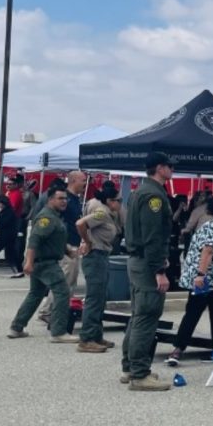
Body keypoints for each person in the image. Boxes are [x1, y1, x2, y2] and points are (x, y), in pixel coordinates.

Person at [121, 151, 176, 391]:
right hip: (146, 263)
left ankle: (130, 368)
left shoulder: (139, 192)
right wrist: (159, 270)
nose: (172, 171)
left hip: (138, 260)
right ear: (160, 168)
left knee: (138, 316)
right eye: (169, 167)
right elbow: (152, 236)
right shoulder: (154, 195)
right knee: (146, 316)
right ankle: (139, 374)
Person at [165, 196, 213, 366]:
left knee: (192, 312)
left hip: (205, 277)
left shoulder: (211, 226)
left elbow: (208, 250)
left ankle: (178, 348)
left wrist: (201, 274)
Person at [7, 185, 79, 342]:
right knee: (62, 292)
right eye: (60, 198)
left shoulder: (55, 217)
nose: (64, 201)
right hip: (46, 263)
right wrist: (28, 262)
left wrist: (69, 251)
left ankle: (16, 327)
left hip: (44, 261)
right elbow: (35, 240)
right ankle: (58, 332)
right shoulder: (47, 218)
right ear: (50, 199)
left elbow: (53, 239)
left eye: (65, 198)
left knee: (35, 294)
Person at [74, 187, 122, 353]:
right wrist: (86, 241)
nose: (120, 204)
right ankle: (86, 339)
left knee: (100, 298)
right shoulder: (102, 212)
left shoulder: (108, 212)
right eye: (119, 200)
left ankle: (96, 335)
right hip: (95, 255)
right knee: (94, 299)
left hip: (101, 256)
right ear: (110, 201)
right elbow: (80, 223)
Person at [61, 171, 87, 293]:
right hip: (66, 245)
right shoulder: (64, 199)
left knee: (71, 281)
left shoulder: (76, 199)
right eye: (83, 180)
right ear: (73, 181)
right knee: (64, 283)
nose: (85, 183)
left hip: (74, 244)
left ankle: (64, 309)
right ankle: (47, 311)